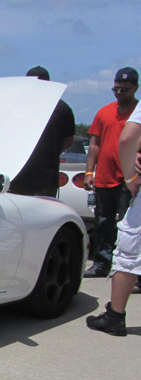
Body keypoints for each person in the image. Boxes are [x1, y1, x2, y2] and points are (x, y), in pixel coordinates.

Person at [87, 100, 141, 336]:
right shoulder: (105, 111)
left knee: (129, 250)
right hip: (106, 181)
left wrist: (131, 179)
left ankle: (115, 316)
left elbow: (128, 138)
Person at [83, 67, 139, 278]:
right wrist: (90, 172)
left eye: (124, 89)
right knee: (103, 222)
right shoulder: (104, 112)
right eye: (116, 88)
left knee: (129, 226)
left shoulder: (138, 112)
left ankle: (126, 268)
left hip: (130, 178)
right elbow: (95, 142)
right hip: (105, 177)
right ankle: (101, 263)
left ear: (135, 88)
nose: (119, 93)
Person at [10, 66, 75, 197]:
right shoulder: (62, 108)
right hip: (40, 177)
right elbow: (68, 141)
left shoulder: (14, 105)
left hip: (21, 175)